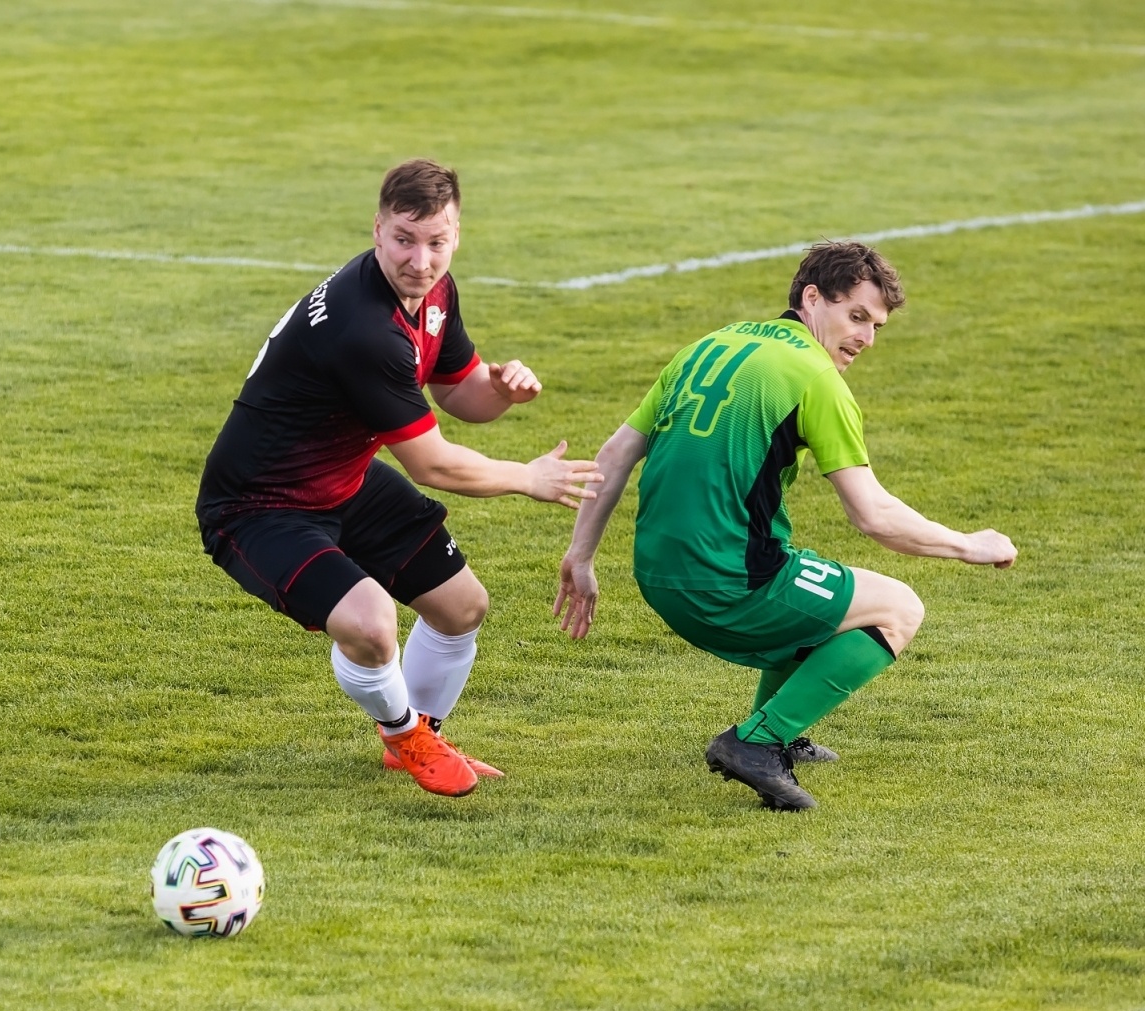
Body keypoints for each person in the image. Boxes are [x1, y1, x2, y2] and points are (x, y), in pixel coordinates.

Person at [553, 241, 1017, 810]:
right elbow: (873, 517)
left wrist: (581, 557)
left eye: (875, 326)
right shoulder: (814, 375)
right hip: (726, 584)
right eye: (856, 317)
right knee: (898, 608)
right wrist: (970, 545)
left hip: (655, 574)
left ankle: (773, 728)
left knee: (812, 574)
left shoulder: (710, 344)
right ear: (812, 297)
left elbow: (616, 452)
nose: (866, 339)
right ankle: (757, 743)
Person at [197, 159, 602, 798]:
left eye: (437, 242)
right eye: (405, 240)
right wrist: (528, 476)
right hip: (259, 504)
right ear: (378, 229)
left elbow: (459, 390)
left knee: (461, 606)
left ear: (456, 234)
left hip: (344, 478)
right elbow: (432, 463)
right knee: (369, 623)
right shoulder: (363, 328)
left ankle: (421, 734)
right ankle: (405, 736)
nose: (421, 259)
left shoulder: (435, 292)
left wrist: (501, 392)